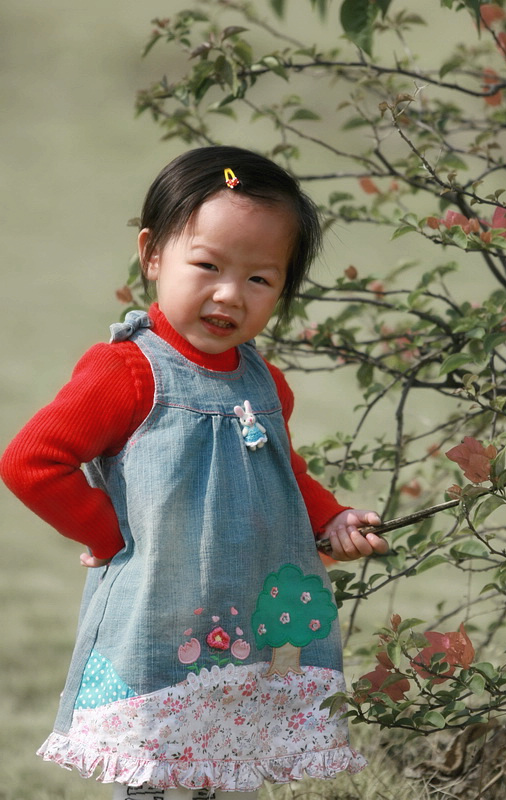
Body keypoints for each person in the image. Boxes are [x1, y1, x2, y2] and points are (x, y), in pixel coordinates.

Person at [0, 146, 388, 800]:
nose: (229, 294)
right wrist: (109, 537)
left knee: (225, 762)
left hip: (242, 616)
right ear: (152, 255)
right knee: (150, 769)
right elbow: (32, 461)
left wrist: (331, 518)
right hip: (155, 618)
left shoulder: (264, 381)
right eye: (206, 265)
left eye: (260, 279)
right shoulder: (126, 372)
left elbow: (281, 471)